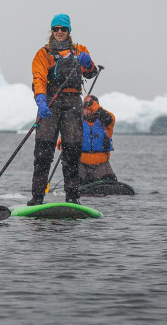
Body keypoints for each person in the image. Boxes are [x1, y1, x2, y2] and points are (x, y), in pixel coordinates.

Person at [29, 13, 97, 205]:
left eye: (63, 29)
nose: (59, 32)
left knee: (72, 152)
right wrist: (40, 99)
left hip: (73, 104)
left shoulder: (80, 51)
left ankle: (73, 198)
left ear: (69, 31)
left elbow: (91, 73)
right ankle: (37, 198)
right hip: (50, 104)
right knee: (43, 152)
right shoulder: (44, 54)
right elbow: (38, 78)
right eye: (56, 29)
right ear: (52, 31)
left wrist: (88, 63)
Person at [78, 94, 117, 184]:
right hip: (81, 165)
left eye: (91, 109)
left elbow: (108, 118)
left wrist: (93, 105)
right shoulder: (77, 122)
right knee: (75, 184)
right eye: (86, 109)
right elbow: (63, 141)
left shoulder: (106, 121)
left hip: (101, 166)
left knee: (110, 186)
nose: (89, 112)